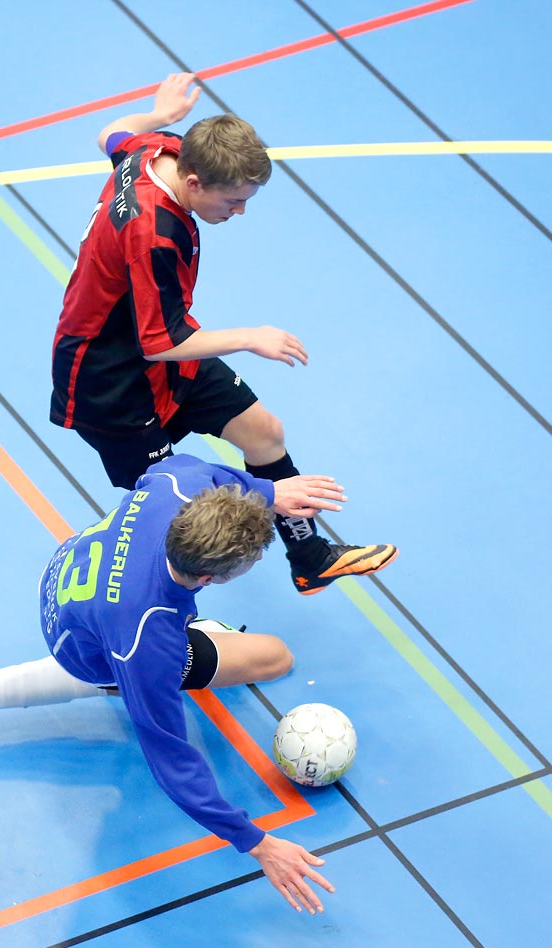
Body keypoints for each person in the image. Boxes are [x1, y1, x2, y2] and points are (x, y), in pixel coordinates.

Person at [0, 454, 350, 914]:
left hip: (70, 572)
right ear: (207, 577)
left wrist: (269, 493)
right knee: (275, 657)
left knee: (187, 650)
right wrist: (256, 843)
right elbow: (171, 761)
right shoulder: (148, 643)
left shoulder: (175, 485)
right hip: (86, 642)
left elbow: (203, 466)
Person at [50, 72, 396, 596]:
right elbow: (159, 342)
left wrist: (160, 115)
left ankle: (309, 557)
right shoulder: (154, 234)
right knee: (176, 511)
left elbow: (112, 132)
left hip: (162, 349)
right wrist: (250, 336)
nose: (238, 213)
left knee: (264, 433)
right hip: (110, 380)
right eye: (232, 202)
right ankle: (154, 610)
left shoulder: (157, 149)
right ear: (193, 182)